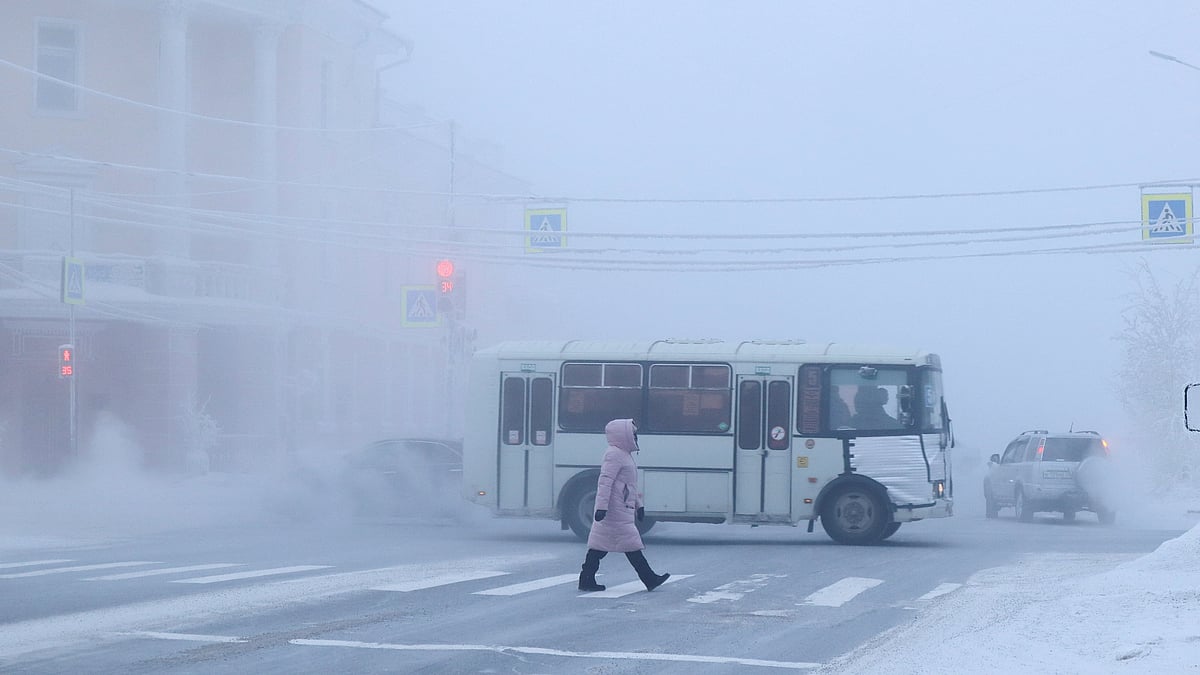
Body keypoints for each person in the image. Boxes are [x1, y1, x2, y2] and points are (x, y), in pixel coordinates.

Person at [577, 418, 670, 592]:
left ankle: (586, 579)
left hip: (620, 508)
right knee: (630, 544)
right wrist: (601, 508)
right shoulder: (614, 454)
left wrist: (639, 505)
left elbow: (627, 486)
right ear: (623, 434)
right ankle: (649, 578)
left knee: (600, 546)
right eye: (633, 433)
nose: (636, 436)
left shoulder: (622, 454)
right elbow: (605, 482)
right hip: (614, 510)